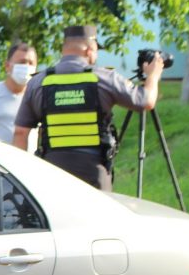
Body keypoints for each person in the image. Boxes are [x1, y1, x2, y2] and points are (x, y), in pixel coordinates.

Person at [13, 25, 164, 191]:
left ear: (64, 49)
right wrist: (153, 75)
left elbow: (21, 133)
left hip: (52, 173)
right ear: (89, 50)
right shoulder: (105, 78)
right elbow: (146, 101)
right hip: (94, 173)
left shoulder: (37, 82)